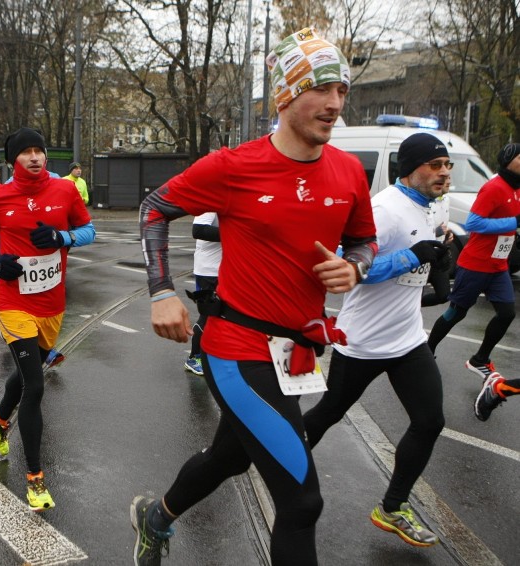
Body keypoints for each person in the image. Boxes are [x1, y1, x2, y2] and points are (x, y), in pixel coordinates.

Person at [130, 28, 376, 566]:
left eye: (342, 91)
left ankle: (156, 517)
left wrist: (353, 266)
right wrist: (161, 291)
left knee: (228, 459)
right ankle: (157, 518)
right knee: (302, 502)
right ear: (286, 95)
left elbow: (363, 240)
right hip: (237, 349)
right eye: (321, 89)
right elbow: (153, 208)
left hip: (296, 352)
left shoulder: (349, 171)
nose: (335, 104)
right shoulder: (233, 166)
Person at [302, 132, 453, 550]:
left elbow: (423, 258)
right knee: (327, 414)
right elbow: (340, 263)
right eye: (435, 165)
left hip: (407, 340)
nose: (444, 173)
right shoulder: (383, 209)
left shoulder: (432, 205)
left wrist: (440, 254)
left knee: (430, 421)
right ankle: (271, 457)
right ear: (410, 168)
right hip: (363, 341)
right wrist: (412, 255)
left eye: (447, 166)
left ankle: (392, 507)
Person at [0, 127, 95, 512]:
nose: (35, 157)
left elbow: (89, 230)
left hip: (52, 305)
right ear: (13, 161)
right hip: (13, 302)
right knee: (36, 387)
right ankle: (35, 479)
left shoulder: (65, 191)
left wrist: (63, 239)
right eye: (26, 152)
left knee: (29, 374)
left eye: (39, 150)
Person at [427, 142, 520, 387]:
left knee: (507, 313)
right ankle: (428, 350)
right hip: (476, 264)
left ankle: (480, 358)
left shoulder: (517, 189)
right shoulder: (493, 188)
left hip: (499, 265)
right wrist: (513, 222)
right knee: (456, 312)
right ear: (509, 160)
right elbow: (474, 224)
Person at [183, 212, 220, 376]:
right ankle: (194, 357)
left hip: (226, 270)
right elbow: (198, 230)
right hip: (208, 271)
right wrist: (234, 231)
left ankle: (212, 355)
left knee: (227, 315)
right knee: (208, 315)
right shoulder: (211, 201)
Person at [421, 181, 454, 307]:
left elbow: (443, 223)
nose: (449, 182)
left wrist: (447, 233)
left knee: (444, 295)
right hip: (424, 253)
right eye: (445, 180)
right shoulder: (425, 201)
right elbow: (417, 230)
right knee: (414, 294)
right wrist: (436, 231)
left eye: (449, 178)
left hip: (439, 253)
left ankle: (414, 306)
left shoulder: (446, 199)